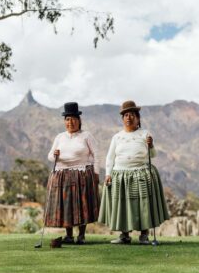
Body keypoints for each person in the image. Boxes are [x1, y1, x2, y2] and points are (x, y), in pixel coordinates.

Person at [98, 100, 169, 244]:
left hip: (141, 173)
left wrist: (151, 145)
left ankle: (144, 235)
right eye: (125, 115)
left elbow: (153, 155)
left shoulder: (145, 134)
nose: (128, 118)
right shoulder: (117, 137)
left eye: (131, 115)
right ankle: (124, 236)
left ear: (138, 118)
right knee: (123, 204)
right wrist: (107, 174)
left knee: (143, 204)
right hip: (120, 175)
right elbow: (110, 158)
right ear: (122, 119)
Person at [45, 102, 100, 246]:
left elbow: (96, 155)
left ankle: (81, 235)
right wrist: (55, 154)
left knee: (82, 205)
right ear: (64, 121)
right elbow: (50, 156)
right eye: (68, 119)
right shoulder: (60, 137)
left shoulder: (86, 136)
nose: (71, 122)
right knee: (66, 205)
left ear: (79, 120)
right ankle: (68, 235)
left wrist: (96, 173)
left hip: (82, 174)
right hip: (62, 175)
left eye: (74, 119)